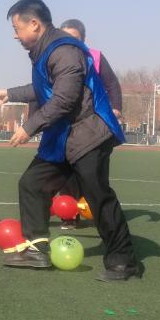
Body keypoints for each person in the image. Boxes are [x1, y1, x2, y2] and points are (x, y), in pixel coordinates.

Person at [0, 0, 141, 281]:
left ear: (34, 24)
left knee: (98, 197)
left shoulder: (64, 51)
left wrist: (29, 127)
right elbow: (43, 87)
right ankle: (36, 250)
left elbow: (64, 99)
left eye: (16, 28)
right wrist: (9, 94)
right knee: (32, 184)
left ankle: (123, 262)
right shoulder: (46, 49)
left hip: (88, 135)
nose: (14, 35)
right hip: (63, 138)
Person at [55, 18, 123, 230]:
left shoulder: (95, 57)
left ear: (83, 40)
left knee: (96, 173)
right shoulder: (54, 58)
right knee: (67, 172)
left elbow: (112, 83)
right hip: (66, 124)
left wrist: (116, 108)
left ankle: (101, 214)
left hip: (95, 125)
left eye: (74, 38)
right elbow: (42, 89)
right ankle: (69, 215)